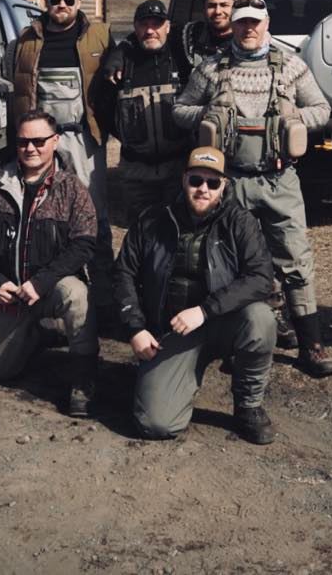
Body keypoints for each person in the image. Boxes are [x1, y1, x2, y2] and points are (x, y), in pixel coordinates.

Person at [173, 0, 332, 377]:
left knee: (295, 259)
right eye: (241, 22)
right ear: (233, 24)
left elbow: (323, 109)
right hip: (229, 185)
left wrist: (293, 119)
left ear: (267, 25)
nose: (248, 29)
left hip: (280, 179)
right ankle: (236, 340)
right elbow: (180, 109)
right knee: (232, 264)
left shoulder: (292, 66)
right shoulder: (211, 68)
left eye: (255, 22)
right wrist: (209, 114)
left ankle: (310, 345)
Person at [115, 146, 277, 443]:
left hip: (222, 322)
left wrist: (204, 311)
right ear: (184, 180)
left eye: (213, 183)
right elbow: (123, 273)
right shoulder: (152, 220)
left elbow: (261, 278)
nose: (203, 189)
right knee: (156, 425)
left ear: (224, 185)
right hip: (173, 331)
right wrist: (135, 327)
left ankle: (248, 406)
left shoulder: (240, 222)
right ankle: (175, 380)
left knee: (261, 319)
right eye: (196, 181)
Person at [0, 110, 100, 417]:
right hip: (9, 290)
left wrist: (42, 281)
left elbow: (85, 242)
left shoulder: (71, 188)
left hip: (51, 286)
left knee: (78, 296)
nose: (30, 148)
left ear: (55, 141)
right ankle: (40, 333)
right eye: (23, 141)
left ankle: (83, 377)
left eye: (39, 141)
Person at [6, 0, 113, 294]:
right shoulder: (26, 39)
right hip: (39, 141)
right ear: (46, 3)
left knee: (93, 211)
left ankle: (104, 289)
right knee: (45, 213)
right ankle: (52, 287)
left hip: (83, 139)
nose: (62, 5)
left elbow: (123, 57)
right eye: (55, 0)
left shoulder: (100, 35)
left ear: (79, 2)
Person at [94, 0, 190, 221]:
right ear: (135, 28)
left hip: (177, 170)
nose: (150, 31)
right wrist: (129, 136)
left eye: (156, 24)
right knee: (141, 234)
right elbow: (104, 108)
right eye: (143, 24)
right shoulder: (122, 64)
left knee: (178, 234)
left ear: (167, 26)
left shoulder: (183, 58)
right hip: (135, 173)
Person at [182, 0, 237, 65]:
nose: (218, 11)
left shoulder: (245, 39)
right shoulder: (191, 36)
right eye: (211, 6)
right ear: (203, 8)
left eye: (224, 5)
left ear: (235, 7)